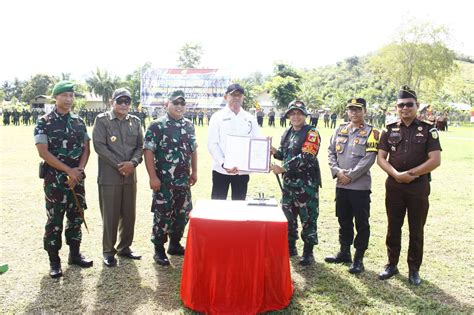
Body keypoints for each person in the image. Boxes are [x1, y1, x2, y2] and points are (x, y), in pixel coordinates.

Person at [377, 86, 442, 286]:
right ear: (397, 107)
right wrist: (396, 174)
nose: (405, 108)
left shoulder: (429, 130)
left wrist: (411, 174)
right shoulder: (388, 129)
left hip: (418, 187)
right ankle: (391, 264)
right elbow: (380, 158)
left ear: (417, 106)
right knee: (393, 227)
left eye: (409, 105)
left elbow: (435, 160)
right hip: (394, 186)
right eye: (401, 105)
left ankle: (414, 269)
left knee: (416, 229)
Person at [34, 80, 93, 278]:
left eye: (71, 95)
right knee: (55, 220)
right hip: (56, 181)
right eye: (64, 95)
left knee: (76, 216)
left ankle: (74, 255)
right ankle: (54, 261)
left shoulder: (79, 121)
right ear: (55, 97)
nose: (68, 99)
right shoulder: (44, 121)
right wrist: (69, 170)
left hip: (77, 179)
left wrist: (79, 170)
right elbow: (43, 152)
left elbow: (86, 149)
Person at [144, 90, 198, 266]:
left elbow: (193, 149)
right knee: (163, 215)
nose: (179, 107)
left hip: (183, 181)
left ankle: (175, 244)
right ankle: (159, 249)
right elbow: (148, 151)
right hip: (164, 181)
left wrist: (195, 171)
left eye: (182, 104)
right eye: (176, 103)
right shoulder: (156, 126)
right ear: (167, 104)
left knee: (182, 214)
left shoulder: (189, 125)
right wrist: (153, 177)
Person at [325, 98, 379, 274]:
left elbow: (369, 158)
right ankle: (344, 252)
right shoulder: (340, 129)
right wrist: (338, 172)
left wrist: (351, 175)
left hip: (359, 186)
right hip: (341, 184)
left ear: (364, 111)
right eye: (351, 110)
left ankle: (358, 259)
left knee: (361, 223)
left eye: (358, 109)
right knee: (343, 219)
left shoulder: (372, 132)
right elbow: (331, 152)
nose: (354, 113)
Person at [92, 88, 143, 267]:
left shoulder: (135, 121)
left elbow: (140, 147)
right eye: (120, 101)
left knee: (129, 215)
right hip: (109, 177)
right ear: (112, 101)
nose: (123, 105)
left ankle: (125, 247)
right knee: (110, 216)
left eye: (127, 101)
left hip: (130, 175)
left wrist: (133, 163)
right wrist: (120, 165)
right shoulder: (102, 120)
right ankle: (108, 251)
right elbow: (99, 146)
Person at [270, 100, 322, 266]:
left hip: (306, 185)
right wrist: (273, 151)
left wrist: (283, 168)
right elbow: (284, 154)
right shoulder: (287, 132)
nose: (296, 116)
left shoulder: (312, 133)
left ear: (305, 115)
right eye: (292, 113)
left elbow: (307, 157)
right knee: (288, 216)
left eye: (299, 113)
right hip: (288, 185)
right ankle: (290, 247)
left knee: (308, 217)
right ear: (288, 116)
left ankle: (308, 252)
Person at [208, 83, 259, 200]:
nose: (236, 97)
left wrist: (264, 149)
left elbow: (257, 141)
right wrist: (223, 163)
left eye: (239, 95)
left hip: (242, 171)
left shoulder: (250, 118)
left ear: (243, 98)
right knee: (218, 205)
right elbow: (212, 143)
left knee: (239, 205)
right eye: (233, 95)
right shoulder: (217, 117)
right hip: (221, 170)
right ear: (226, 97)